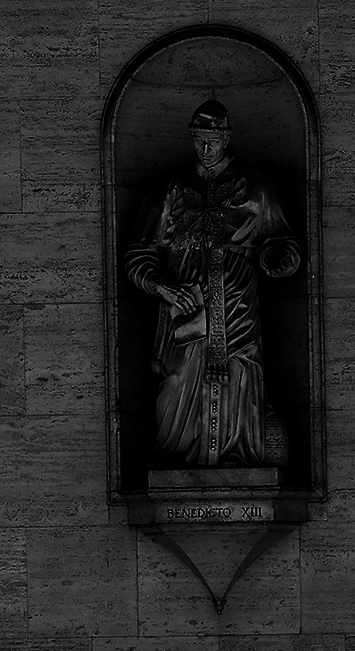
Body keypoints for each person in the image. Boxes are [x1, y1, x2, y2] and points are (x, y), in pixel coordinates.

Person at [125, 98, 300, 468]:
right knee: (176, 384)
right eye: (199, 140)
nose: (205, 149)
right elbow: (138, 255)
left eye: (212, 141)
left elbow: (281, 240)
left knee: (239, 375)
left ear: (226, 138)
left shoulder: (256, 188)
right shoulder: (172, 190)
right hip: (184, 307)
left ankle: (237, 457)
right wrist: (162, 286)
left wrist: (278, 257)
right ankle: (180, 460)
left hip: (237, 304)